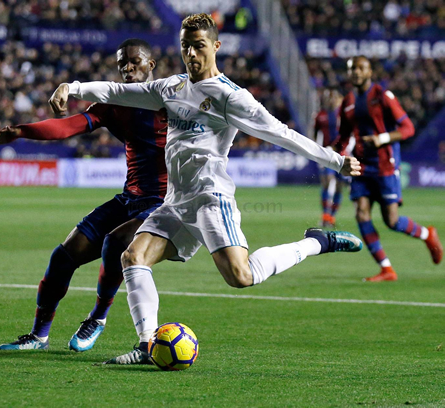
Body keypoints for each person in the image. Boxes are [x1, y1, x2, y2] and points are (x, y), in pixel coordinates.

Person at [49, 13, 363, 365]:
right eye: (185, 46)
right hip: (175, 202)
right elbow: (119, 91)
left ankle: (316, 241)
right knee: (133, 257)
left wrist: (336, 161)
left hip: (210, 199)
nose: (191, 54)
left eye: (198, 46)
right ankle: (147, 345)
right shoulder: (171, 88)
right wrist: (73, 88)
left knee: (241, 276)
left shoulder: (231, 97)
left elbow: (282, 134)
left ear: (215, 45)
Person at [0, 39, 168, 352]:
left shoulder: (173, 99)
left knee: (116, 243)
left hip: (164, 203)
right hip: (129, 198)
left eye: (135, 62)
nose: (127, 68)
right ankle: (38, 336)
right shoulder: (114, 102)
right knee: (62, 258)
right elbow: (68, 126)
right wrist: (20, 131)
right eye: (122, 62)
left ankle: (97, 317)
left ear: (151, 66)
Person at [333, 55, 443, 282]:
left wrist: (381, 138)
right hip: (362, 167)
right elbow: (343, 137)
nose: (356, 72)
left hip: (385, 164)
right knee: (361, 212)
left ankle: (427, 234)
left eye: (361, 68)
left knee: (391, 221)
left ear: (370, 72)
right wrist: (333, 155)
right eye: (352, 69)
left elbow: (408, 128)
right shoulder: (348, 103)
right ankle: (386, 268)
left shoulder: (383, 97)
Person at [314, 88, 346, 228]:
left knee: (339, 187)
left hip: (343, 155)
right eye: (329, 97)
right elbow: (315, 135)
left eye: (334, 97)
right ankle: (325, 216)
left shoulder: (344, 115)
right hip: (326, 154)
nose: (331, 100)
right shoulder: (320, 115)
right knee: (327, 182)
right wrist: (318, 152)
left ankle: (331, 217)